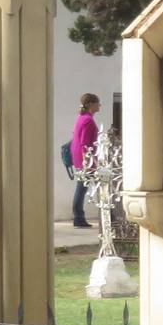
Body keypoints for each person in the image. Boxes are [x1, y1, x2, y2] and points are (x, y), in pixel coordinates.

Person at [69, 93, 100, 229]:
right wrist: (87, 161)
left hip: (80, 158)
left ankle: (79, 216)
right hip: (85, 159)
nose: (99, 105)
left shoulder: (82, 118)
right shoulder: (88, 120)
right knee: (84, 188)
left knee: (82, 188)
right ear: (90, 104)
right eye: (97, 102)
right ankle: (79, 217)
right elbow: (85, 143)